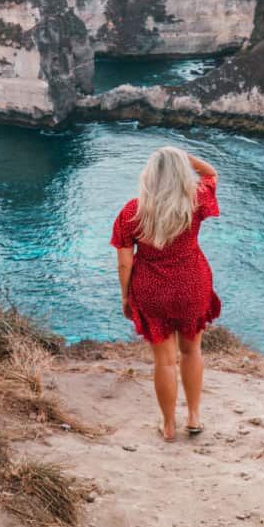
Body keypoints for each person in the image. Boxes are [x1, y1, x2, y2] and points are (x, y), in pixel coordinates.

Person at [110, 146, 221, 442]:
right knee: (192, 350)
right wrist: (184, 158)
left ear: (149, 176)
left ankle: (169, 425)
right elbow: (211, 173)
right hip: (192, 284)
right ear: (180, 175)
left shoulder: (133, 211)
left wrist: (125, 297)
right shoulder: (195, 200)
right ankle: (194, 417)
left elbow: (124, 262)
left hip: (152, 290)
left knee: (165, 361)